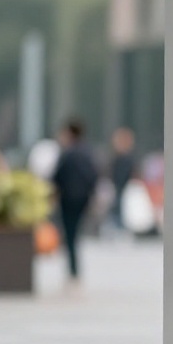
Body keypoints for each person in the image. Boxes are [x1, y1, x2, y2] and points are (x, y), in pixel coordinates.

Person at [51, 118, 99, 283]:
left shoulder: (68, 153)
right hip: (82, 200)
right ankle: (74, 269)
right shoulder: (87, 152)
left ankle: (73, 270)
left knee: (70, 235)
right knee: (74, 234)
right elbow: (93, 177)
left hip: (68, 200)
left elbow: (56, 177)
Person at [108, 127, 138, 230]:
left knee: (122, 208)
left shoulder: (126, 158)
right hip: (117, 186)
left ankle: (121, 227)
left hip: (124, 187)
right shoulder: (117, 157)